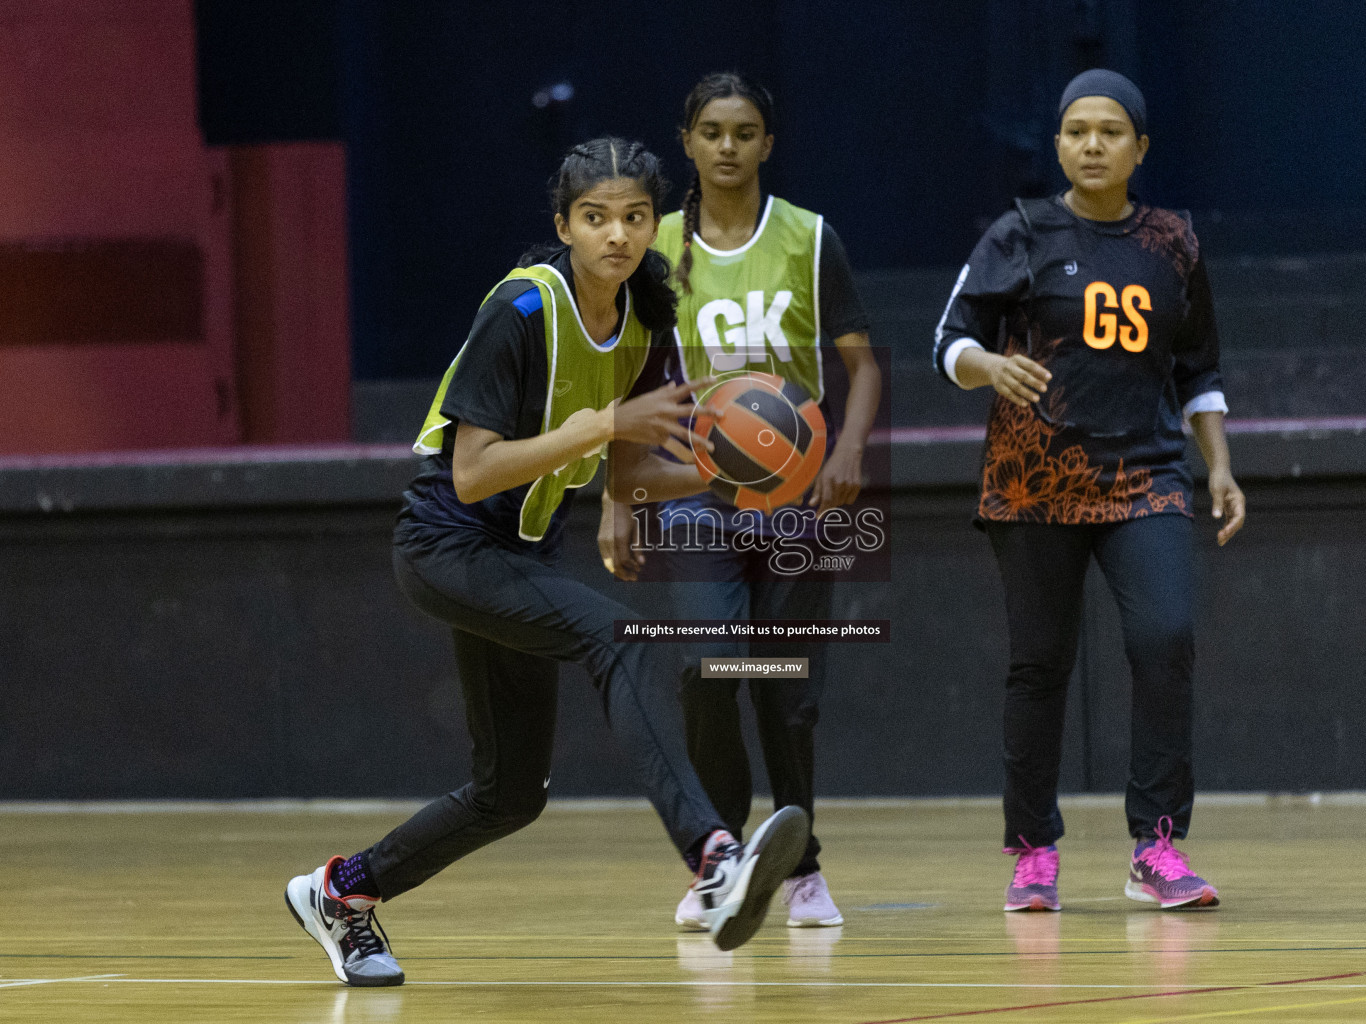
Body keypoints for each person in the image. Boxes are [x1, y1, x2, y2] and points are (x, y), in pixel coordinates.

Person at [284, 137, 809, 987]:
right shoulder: (523, 310)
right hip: (445, 543)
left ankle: (342, 892)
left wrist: (739, 475)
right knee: (619, 635)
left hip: (521, 549)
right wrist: (604, 428)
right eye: (596, 218)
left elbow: (631, 468)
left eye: (636, 217)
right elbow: (473, 468)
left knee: (510, 795)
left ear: (655, 227)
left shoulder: (646, 319)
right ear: (565, 224)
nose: (617, 235)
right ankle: (715, 860)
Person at [933, 70, 1245, 912]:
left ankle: (1158, 846)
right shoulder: (1021, 232)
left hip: (1144, 473)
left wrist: (1217, 463)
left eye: (1111, 131)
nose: (1093, 144)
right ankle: (1034, 851)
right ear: (1060, 144)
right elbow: (948, 339)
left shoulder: (1173, 242)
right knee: (1040, 665)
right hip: (1034, 484)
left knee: (1165, 639)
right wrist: (990, 365)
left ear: (1141, 146)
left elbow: (1198, 366)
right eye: (1077, 130)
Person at [597, 73, 879, 931]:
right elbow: (630, 379)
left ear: (767, 143)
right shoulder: (657, 252)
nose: (728, 145)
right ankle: (717, 857)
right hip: (695, 495)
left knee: (787, 692)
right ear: (687, 141)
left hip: (796, 498)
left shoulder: (810, 238)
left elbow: (859, 365)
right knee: (705, 670)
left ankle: (802, 870)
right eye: (712, 131)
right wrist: (616, 494)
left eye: (745, 131)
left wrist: (851, 450)